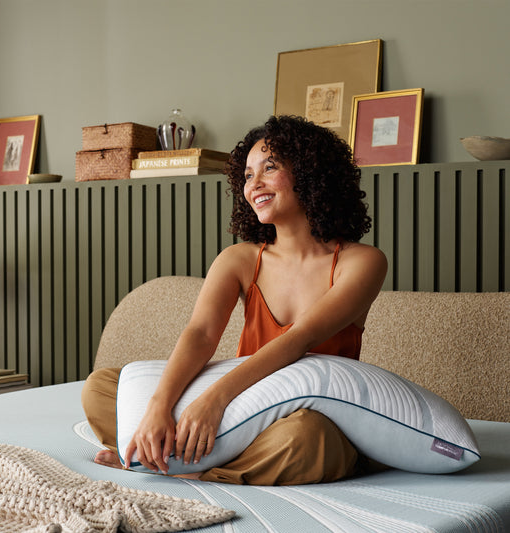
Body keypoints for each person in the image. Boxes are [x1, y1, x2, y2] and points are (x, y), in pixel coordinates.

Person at [82, 115, 387, 485]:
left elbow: (301, 338)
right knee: (102, 387)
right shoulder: (240, 259)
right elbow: (200, 334)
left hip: (304, 414)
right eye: (246, 175)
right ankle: (172, 450)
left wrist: (213, 401)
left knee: (310, 440)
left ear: (310, 174)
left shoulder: (362, 262)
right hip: (241, 402)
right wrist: (158, 406)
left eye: (269, 168)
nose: (253, 184)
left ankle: (190, 469)